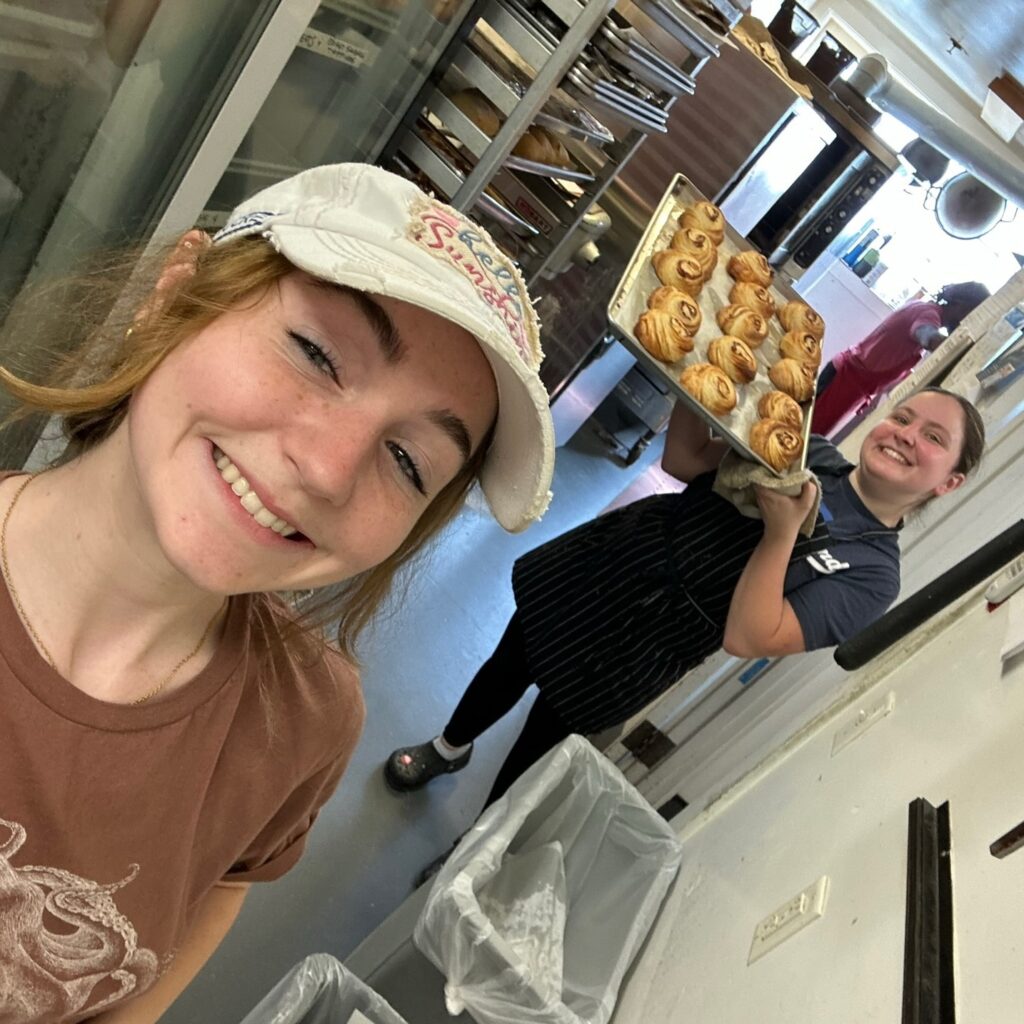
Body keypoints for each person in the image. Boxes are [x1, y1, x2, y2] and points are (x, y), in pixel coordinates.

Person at [0, 164, 554, 1024]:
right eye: (316, 353)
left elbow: (214, 894)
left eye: (408, 462)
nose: (328, 470)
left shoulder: (302, 726)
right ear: (176, 290)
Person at [386, 387, 984, 812]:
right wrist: (694, 383)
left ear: (949, 482)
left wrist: (781, 534)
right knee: (514, 655)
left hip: (657, 636)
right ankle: (448, 746)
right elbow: (685, 460)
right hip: (620, 555)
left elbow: (750, 635)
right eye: (903, 417)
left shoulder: (873, 575)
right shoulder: (815, 450)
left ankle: (473, 847)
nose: (905, 435)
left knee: (551, 726)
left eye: (933, 438)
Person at [811, 281, 990, 436]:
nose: (967, 321)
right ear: (959, 304)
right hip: (845, 380)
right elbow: (926, 335)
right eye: (971, 314)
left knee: (810, 431)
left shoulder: (922, 307)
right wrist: (964, 344)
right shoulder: (929, 314)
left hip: (849, 379)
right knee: (807, 432)